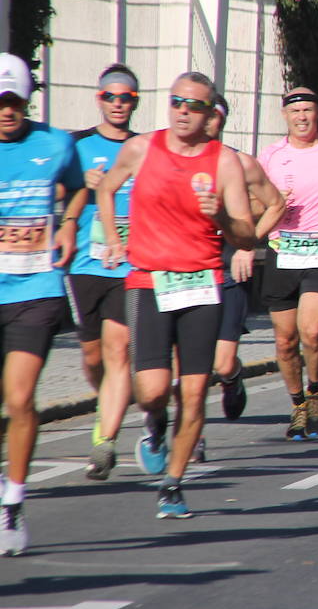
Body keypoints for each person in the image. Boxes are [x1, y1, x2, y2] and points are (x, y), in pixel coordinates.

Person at [97, 70, 256, 520]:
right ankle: (154, 423)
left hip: (202, 283)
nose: (184, 112)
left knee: (193, 393)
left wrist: (221, 214)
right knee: (150, 390)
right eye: (177, 103)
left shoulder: (224, 161)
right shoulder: (142, 147)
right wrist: (113, 238)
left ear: (210, 115)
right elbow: (106, 189)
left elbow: (246, 236)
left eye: (195, 106)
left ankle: (173, 483)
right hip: (148, 281)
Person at [0, 54, 82, 554]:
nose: (6, 111)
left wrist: (70, 221)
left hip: (36, 291)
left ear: (27, 101)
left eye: (13, 101)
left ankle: (13, 501)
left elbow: (76, 189)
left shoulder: (54, 144)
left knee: (19, 398)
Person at [257, 86, 318, 438]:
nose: (302, 117)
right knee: (285, 341)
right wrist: (271, 206)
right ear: (285, 116)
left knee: (311, 331)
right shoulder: (269, 156)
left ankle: (315, 390)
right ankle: (298, 404)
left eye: (308, 111)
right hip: (281, 251)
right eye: (295, 111)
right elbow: (252, 207)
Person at [62, 64, 139, 480]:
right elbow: (55, 193)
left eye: (125, 97)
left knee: (117, 349)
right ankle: (104, 401)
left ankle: (105, 438)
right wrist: (83, 186)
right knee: (93, 356)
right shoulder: (77, 146)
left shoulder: (143, 148)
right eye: (110, 96)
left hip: (128, 265)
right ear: (99, 100)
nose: (117, 103)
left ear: (134, 102)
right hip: (86, 264)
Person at [205, 94, 287, 446]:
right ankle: (190, 438)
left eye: (215, 118)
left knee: (221, 364)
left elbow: (275, 204)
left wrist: (248, 243)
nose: (208, 123)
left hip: (226, 274)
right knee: (185, 370)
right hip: (183, 274)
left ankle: (232, 378)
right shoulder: (167, 159)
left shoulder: (238, 164)